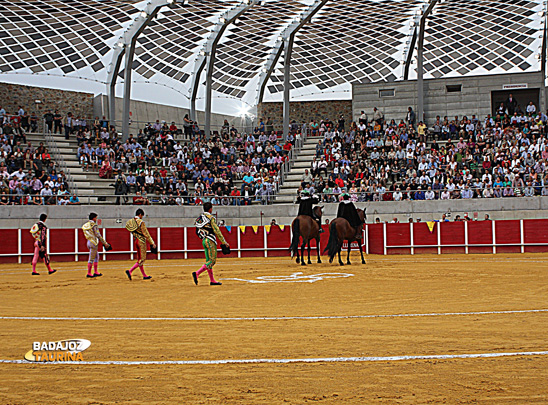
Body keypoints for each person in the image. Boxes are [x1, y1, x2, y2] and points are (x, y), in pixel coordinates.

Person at [193, 202, 229, 286]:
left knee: (208, 261)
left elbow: (197, 231)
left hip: (204, 240)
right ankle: (197, 273)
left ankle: (212, 280)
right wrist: (224, 242)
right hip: (210, 240)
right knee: (212, 261)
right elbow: (217, 230)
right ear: (210, 209)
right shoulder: (211, 218)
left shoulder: (200, 218)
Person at [125, 208, 156, 280]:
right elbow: (146, 233)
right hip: (141, 241)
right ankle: (130, 271)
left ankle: (144, 275)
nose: (142, 217)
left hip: (136, 240)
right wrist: (152, 243)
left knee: (139, 259)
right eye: (142, 216)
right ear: (140, 215)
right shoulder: (140, 222)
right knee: (142, 259)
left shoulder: (130, 222)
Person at [82, 212, 111, 278]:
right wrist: (105, 243)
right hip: (93, 242)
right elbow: (98, 235)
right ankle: (89, 273)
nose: (96, 219)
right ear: (94, 218)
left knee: (96, 256)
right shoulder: (93, 225)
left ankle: (95, 272)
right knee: (91, 258)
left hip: (89, 242)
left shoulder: (87, 224)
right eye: (96, 218)